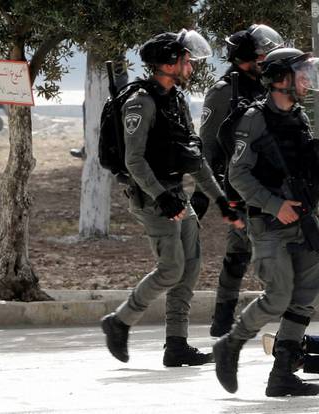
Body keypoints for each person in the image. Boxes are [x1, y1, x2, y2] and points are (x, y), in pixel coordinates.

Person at [100, 29, 243, 367]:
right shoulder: (140, 102)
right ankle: (119, 322)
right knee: (170, 269)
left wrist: (220, 199)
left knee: (190, 267)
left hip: (177, 194)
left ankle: (176, 344)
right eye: (186, 59)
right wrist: (162, 197)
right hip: (152, 196)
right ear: (168, 63)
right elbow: (134, 160)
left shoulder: (176, 99)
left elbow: (193, 156)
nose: (191, 65)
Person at [213, 47, 319, 397]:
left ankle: (282, 374)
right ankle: (230, 344)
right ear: (281, 79)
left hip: (304, 221)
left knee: (307, 293)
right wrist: (274, 204)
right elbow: (237, 174)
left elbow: (307, 177)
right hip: (269, 224)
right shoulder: (254, 119)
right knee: (278, 297)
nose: (308, 80)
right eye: (301, 73)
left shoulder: (299, 117)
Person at [198, 24, 283, 337]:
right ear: (246, 57)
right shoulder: (224, 92)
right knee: (240, 252)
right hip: (240, 183)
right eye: (261, 54)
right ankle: (223, 320)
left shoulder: (266, 85)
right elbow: (207, 144)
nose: (266, 59)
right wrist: (205, 191)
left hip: (271, 182)